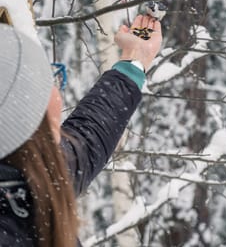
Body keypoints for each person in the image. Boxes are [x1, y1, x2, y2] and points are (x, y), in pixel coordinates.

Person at [0, 14, 162, 247]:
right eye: (44, 83)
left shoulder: (31, 171)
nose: (56, 94)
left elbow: (90, 134)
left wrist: (135, 59)